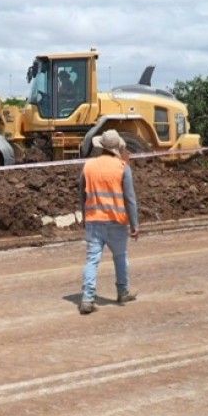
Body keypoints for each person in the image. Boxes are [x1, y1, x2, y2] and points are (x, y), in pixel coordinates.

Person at [78, 129, 139, 315]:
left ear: (101, 146)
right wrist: (135, 224)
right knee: (120, 257)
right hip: (116, 222)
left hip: (94, 220)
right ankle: (123, 292)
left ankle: (87, 299)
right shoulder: (122, 167)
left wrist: (84, 217)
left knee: (92, 260)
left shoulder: (88, 166)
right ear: (117, 147)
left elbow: (82, 195)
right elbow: (130, 198)